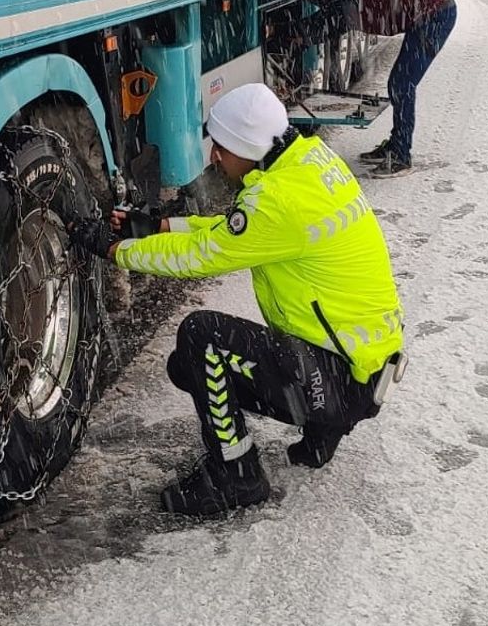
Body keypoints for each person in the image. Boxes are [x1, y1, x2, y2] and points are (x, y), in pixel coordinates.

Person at [68, 83, 405, 516]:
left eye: (222, 147)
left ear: (247, 146)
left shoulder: (277, 202)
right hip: (363, 368)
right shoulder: (306, 164)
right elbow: (233, 230)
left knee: (199, 340)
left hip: (336, 380)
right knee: (189, 364)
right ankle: (325, 430)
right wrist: (159, 227)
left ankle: (237, 475)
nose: (213, 157)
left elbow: (205, 255)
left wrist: (116, 251)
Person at [306, 0, 457, 178]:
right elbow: (328, 22)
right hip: (423, 13)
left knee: (401, 83)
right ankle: (396, 144)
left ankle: (401, 156)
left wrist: (293, 34)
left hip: (436, 15)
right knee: (398, 83)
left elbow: (329, 23)